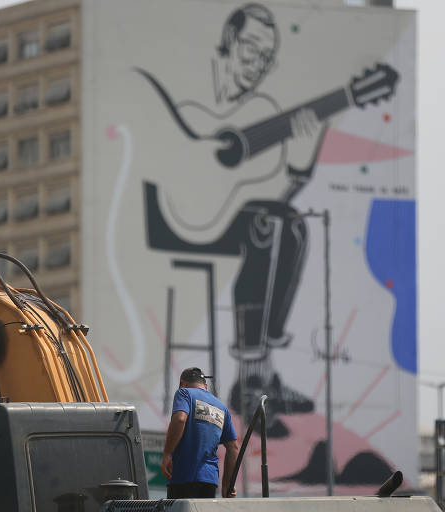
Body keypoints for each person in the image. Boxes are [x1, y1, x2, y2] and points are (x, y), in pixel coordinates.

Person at [142, 2, 322, 436]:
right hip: (174, 213)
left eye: (266, 57)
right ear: (228, 41)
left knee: (289, 225)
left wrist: (301, 161)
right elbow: (167, 152)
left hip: (226, 216)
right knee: (267, 225)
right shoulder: (199, 96)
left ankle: (259, 371)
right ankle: (252, 377)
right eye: (250, 50)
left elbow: (266, 193)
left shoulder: (257, 110)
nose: (255, 65)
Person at [161, 367, 239, 499]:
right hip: (209, 481)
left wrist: (167, 453)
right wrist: (228, 484)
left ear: (182, 384)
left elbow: (180, 419)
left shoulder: (184, 393)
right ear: (206, 386)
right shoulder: (222, 408)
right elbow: (233, 448)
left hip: (184, 477)